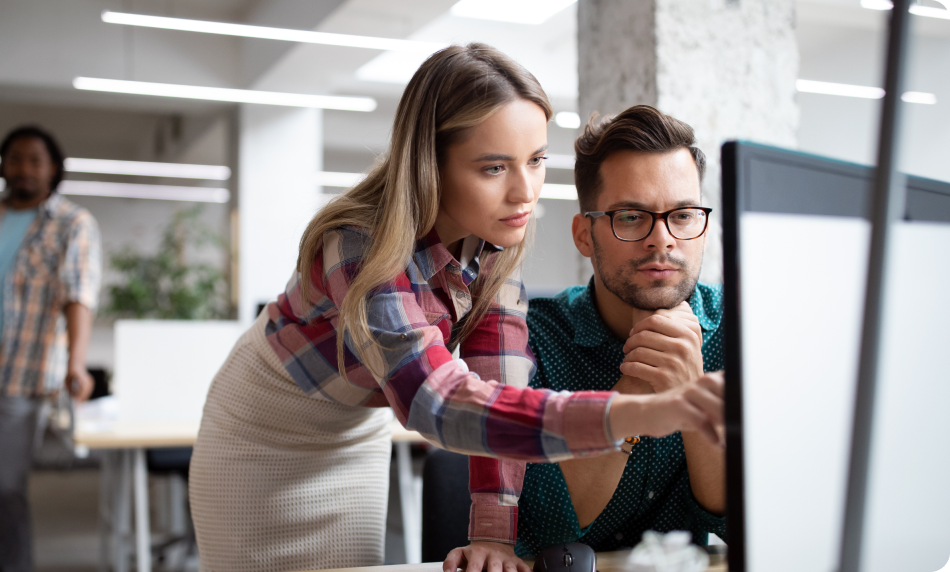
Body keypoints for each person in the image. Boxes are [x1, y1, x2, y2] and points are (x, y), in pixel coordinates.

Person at [188, 45, 726, 572]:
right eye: (494, 168)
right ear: (432, 165)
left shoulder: (498, 237)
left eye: (536, 161)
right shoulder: (360, 244)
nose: (525, 193)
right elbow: (438, 403)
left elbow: (500, 387)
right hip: (267, 431)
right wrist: (635, 413)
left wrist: (492, 536)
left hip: (354, 427)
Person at [447, 105, 727, 572]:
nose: (663, 240)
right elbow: (540, 531)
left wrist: (689, 392)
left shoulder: (743, 331)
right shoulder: (527, 339)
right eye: (632, 217)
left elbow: (753, 524)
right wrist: (635, 392)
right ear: (584, 234)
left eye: (682, 215)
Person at [0, 125, 101, 572]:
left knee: (3, 487)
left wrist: (77, 364)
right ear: (2, 166)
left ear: (53, 168)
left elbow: (77, 296)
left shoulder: (72, 223)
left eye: (35, 159)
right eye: (15, 158)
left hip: (26, 374)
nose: (24, 168)